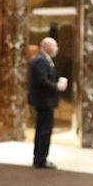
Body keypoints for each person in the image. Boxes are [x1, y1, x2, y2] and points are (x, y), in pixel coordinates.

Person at [28, 37, 66, 169]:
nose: (57, 48)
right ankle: (40, 159)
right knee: (44, 130)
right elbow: (42, 81)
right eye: (54, 46)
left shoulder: (45, 61)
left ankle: (41, 157)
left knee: (44, 130)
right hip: (43, 101)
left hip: (46, 101)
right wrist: (57, 86)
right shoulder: (40, 61)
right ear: (46, 47)